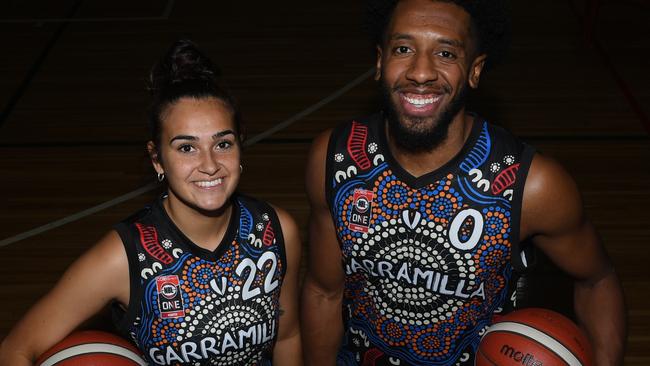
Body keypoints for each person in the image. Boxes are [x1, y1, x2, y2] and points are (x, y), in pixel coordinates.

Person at [300, 0, 626, 365]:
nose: (421, 72)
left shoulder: (531, 184)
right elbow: (324, 291)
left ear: (474, 70)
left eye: (445, 53)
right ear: (380, 62)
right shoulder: (336, 158)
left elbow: (597, 280)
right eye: (403, 49)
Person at [0, 40, 302, 366]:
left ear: (240, 146)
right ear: (157, 159)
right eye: (186, 148)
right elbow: (14, 350)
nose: (210, 164)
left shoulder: (275, 230)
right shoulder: (123, 256)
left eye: (223, 143)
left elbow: (288, 337)